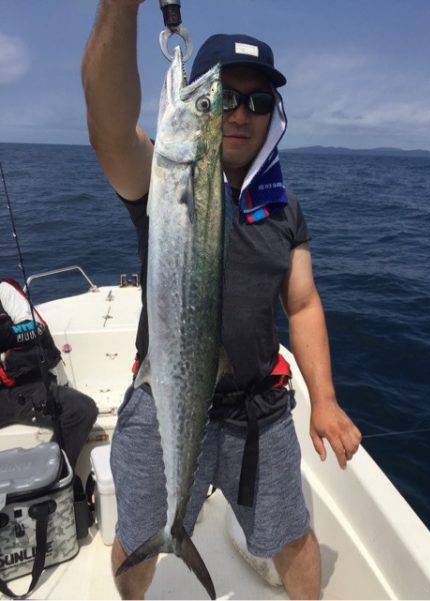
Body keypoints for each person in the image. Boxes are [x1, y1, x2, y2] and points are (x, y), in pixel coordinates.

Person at [82, 3, 362, 599]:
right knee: (137, 539)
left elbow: (304, 303)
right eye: (223, 99)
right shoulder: (163, 176)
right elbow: (109, 129)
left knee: (293, 539)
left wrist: (326, 400)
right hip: (160, 397)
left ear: (273, 115)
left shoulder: (283, 207)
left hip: (258, 411)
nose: (240, 114)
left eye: (258, 102)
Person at [0, 277, 98, 470]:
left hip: (21, 389)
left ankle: (54, 476)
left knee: (81, 409)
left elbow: (35, 327)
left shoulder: (3, 291)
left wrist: (6, 337)